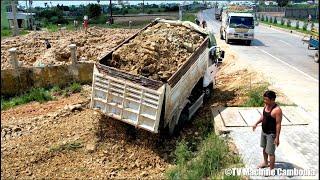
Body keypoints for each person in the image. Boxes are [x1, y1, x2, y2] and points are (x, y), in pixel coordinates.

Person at [253, 90, 282, 170]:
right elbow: (263, 116)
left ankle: (271, 169)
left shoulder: (277, 110)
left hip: (271, 134)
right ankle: (266, 163)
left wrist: (277, 138)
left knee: (271, 152)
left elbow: (278, 124)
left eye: (266, 99)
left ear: (272, 99)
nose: (264, 101)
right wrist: (256, 123)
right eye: (264, 99)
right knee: (264, 149)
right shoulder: (266, 105)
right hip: (264, 131)